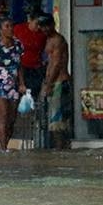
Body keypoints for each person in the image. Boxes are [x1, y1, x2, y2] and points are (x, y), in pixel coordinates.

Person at [0, 17, 26, 151]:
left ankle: (6, 144)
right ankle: (3, 148)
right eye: (7, 26)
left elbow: (20, 65)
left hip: (14, 84)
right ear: (1, 30)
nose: (10, 29)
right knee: (3, 117)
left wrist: (22, 83)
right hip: (1, 85)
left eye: (11, 26)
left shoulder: (18, 45)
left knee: (12, 119)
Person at [39, 15, 73, 149]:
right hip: (53, 83)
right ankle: (58, 148)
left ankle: (61, 149)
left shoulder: (58, 40)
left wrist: (48, 85)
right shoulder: (48, 40)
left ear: (53, 24)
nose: (45, 29)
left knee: (57, 122)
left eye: (48, 26)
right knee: (53, 121)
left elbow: (57, 64)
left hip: (59, 83)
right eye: (43, 27)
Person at [12, 14, 47, 99]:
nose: (38, 27)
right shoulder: (19, 29)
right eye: (36, 24)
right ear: (30, 21)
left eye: (40, 24)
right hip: (22, 66)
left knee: (33, 95)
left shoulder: (42, 34)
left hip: (36, 68)